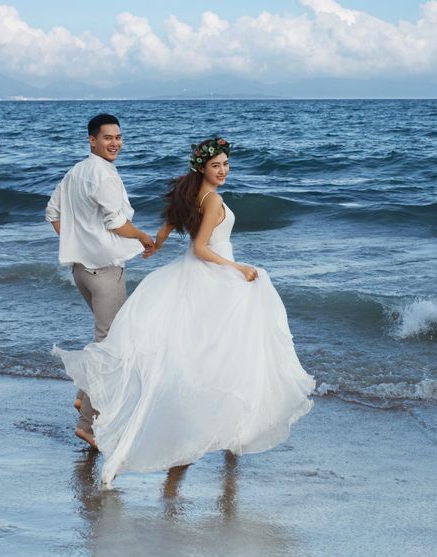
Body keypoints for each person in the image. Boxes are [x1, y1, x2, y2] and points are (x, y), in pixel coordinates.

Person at [56, 137, 314, 486]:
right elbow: (202, 247)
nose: (223, 170)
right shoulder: (212, 199)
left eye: (225, 164)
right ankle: (217, 425)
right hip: (211, 274)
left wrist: (154, 244)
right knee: (219, 352)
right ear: (202, 168)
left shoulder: (188, 193)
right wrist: (239, 269)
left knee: (196, 352)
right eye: (216, 165)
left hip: (188, 275)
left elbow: (169, 227)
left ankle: (102, 399)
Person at [47, 114, 156, 450]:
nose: (115, 143)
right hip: (105, 272)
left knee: (105, 339)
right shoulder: (101, 175)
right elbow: (116, 222)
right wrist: (143, 239)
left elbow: (53, 213)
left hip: (81, 271)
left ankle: (83, 396)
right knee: (111, 347)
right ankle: (87, 425)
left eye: (119, 137)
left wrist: (78, 245)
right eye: (107, 138)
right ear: (92, 140)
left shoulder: (75, 172)